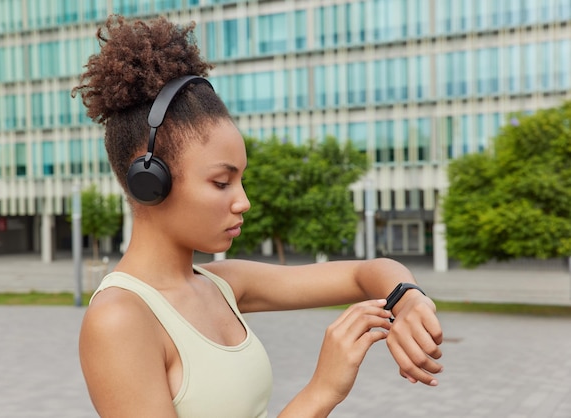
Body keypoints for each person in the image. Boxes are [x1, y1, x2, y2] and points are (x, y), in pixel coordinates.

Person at [72, 15, 443, 418]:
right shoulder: (119, 319)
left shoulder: (223, 286)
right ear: (150, 182)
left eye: (241, 180)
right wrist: (321, 392)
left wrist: (407, 299)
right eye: (221, 182)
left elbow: (367, 273)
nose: (243, 201)